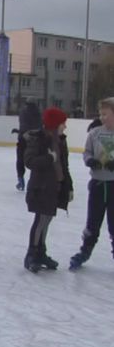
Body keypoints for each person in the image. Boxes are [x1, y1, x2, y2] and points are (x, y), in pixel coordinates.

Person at [23, 107, 73, 273]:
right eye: (62, 123)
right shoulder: (39, 139)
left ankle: (40, 252)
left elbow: (64, 166)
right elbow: (29, 161)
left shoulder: (60, 140)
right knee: (40, 221)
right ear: (54, 124)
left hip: (54, 187)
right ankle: (31, 255)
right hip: (41, 187)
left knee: (47, 220)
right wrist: (48, 158)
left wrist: (69, 186)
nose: (64, 127)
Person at [69, 98, 114, 270]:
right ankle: (85, 250)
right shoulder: (94, 133)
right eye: (100, 114)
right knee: (93, 222)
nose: (102, 117)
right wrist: (90, 161)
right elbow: (87, 152)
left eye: (106, 114)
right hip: (97, 184)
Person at [15, 97, 42, 191]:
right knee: (35, 160)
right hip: (35, 139)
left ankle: (20, 178)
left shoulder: (23, 112)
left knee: (20, 159)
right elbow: (39, 126)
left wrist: (20, 132)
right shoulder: (38, 113)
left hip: (23, 138)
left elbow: (23, 125)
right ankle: (35, 180)